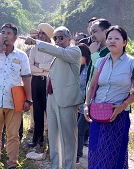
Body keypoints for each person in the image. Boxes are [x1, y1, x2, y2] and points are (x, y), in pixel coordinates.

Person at [26, 26, 83, 169]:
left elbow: (58, 51)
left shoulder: (74, 51)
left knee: (68, 137)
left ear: (70, 39)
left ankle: (68, 166)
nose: (58, 40)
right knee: (53, 135)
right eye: (56, 38)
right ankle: (56, 164)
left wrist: (36, 42)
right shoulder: (58, 54)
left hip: (66, 100)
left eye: (61, 37)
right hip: (51, 97)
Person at [84, 25, 134, 169]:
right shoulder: (100, 62)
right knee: (95, 153)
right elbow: (92, 86)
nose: (112, 41)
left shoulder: (132, 63)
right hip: (98, 114)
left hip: (117, 116)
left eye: (117, 38)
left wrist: (123, 106)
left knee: (114, 155)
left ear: (124, 42)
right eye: (110, 38)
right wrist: (87, 104)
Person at [0, 23, 32, 169]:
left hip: (13, 102)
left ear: (15, 38)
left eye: (9, 33)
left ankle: (12, 164)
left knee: (13, 135)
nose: (5, 35)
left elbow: (27, 78)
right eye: (3, 33)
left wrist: (29, 100)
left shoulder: (21, 56)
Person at [26, 23, 54, 153]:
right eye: (39, 33)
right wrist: (43, 68)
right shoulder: (34, 49)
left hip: (49, 82)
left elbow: (52, 67)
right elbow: (30, 67)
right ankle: (37, 139)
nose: (40, 36)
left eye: (43, 33)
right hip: (36, 81)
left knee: (50, 112)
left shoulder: (54, 48)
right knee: (37, 111)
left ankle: (52, 141)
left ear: (48, 36)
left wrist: (40, 66)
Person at [76, 43, 91, 164]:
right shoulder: (81, 68)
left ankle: (76, 156)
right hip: (81, 106)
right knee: (79, 130)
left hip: (89, 106)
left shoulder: (90, 68)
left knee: (79, 130)